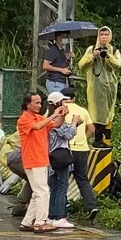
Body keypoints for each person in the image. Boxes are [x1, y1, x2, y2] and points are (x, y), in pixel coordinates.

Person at [17, 92, 67, 233]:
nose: (40, 105)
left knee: (37, 193)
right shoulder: (24, 119)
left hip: (39, 159)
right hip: (33, 159)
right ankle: (40, 222)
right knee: (43, 192)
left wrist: (62, 114)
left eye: (40, 102)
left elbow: (56, 124)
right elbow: (38, 126)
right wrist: (53, 114)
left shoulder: (39, 117)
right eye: (37, 103)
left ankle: (27, 222)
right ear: (28, 104)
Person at [59, 86, 99, 221]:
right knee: (82, 179)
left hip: (66, 148)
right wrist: (83, 138)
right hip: (82, 149)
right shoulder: (83, 110)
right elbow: (92, 129)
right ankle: (92, 206)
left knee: (62, 179)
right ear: (74, 98)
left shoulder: (61, 111)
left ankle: (62, 207)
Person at [78, 26, 121, 147]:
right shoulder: (91, 49)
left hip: (110, 87)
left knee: (107, 113)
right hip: (95, 85)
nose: (103, 37)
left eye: (106, 35)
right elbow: (81, 65)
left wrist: (108, 55)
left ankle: (103, 139)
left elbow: (118, 65)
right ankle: (97, 139)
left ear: (110, 37)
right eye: (101, 34)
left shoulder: (114, 50)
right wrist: (93, 55)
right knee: (96, 112)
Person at [45, 92, 81, 230]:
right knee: (61, 187)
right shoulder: (57, 119)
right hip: (60, 156)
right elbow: (67, 134)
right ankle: (59, 216)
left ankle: (52, 216)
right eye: (62, 101)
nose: (65, 104)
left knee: (55, 187)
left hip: (52, 157)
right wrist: (74, 122)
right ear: (57, 104)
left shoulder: (48, 117)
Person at [41, 31, 74, 95]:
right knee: (58, 102)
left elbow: (61, 64)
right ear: (57, 37)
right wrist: (61, 70)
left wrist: (68, 58)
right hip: (55, 82)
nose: (66, 39)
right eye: (64, 37)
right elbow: (45, 66)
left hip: (62, 81)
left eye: (67, 37)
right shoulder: (53, 50)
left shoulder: (61, 50)